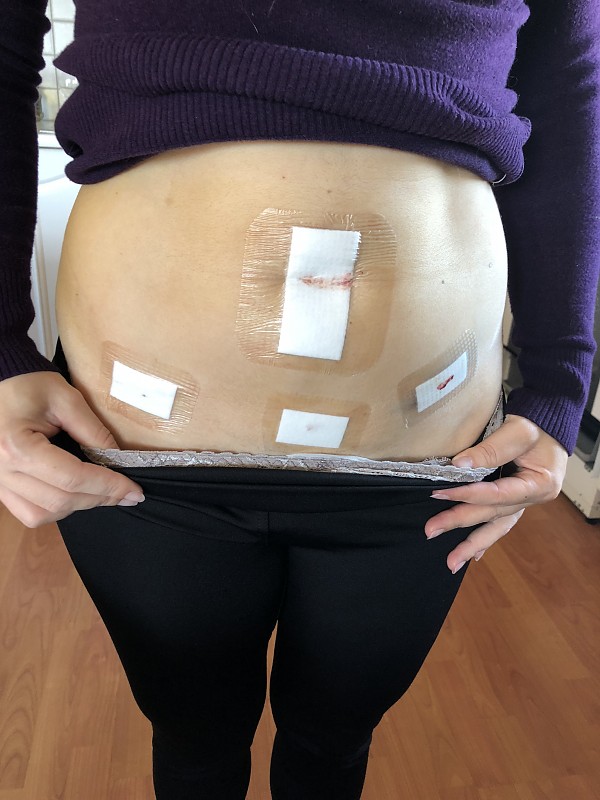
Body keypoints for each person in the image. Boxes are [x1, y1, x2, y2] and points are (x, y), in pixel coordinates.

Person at [0, 1, 597, 798]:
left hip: (425, 464)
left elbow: (566, 83)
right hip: (139, 457)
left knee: (335, 743)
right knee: (194, 742)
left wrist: (560, 382)